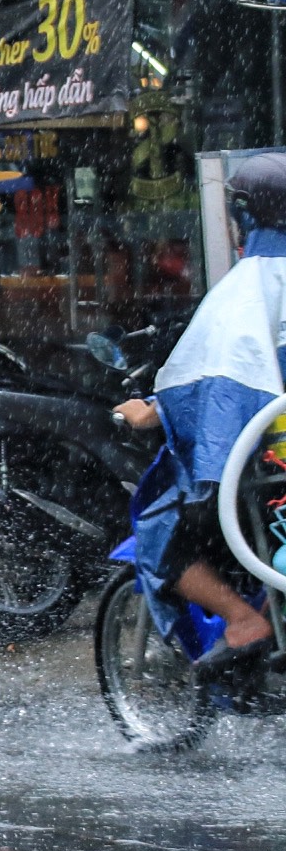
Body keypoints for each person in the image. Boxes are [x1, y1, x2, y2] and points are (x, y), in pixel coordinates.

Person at [114, 152, 286, 675]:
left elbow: (214, 388)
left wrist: (153, 413)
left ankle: (244, 621)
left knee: (162, 531)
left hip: (268, 468)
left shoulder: (247, 287)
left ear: (244, 218)